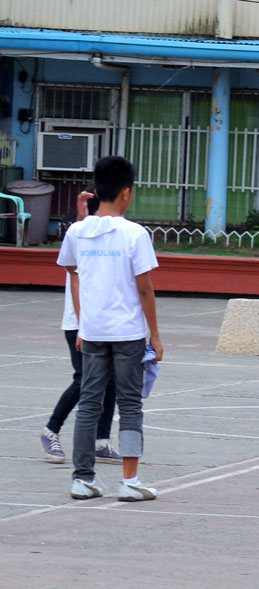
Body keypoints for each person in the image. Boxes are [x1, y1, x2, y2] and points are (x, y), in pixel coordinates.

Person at [57, 155, 164, 501]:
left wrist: (83, 322)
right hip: (128, 332)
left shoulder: (77, 231)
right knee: (130, 404)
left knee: (90, 403)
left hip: (93, 330)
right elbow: (144, 288)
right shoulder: (134, 234)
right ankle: (129, 481)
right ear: (126, 193)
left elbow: (73, 276)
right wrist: (156, 335)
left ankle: (82, 477)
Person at [40, 190, 121, 465]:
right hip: (80, 322)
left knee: (109, 380)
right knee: (84, 379)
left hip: (104, 320)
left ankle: (101, 441)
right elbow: (75, 271)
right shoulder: (79, 231)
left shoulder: (117, 233)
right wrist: (84, 323)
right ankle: (50, 430)